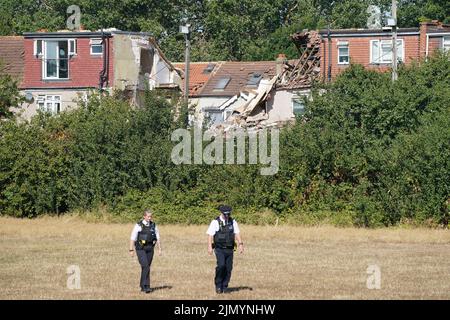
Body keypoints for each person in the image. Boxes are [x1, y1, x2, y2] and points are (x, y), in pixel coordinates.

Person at [207, 205, 244, 294]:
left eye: (228, 214)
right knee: (221, 266)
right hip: (219, 249)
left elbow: (237, 233)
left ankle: (225, 286)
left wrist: (240, 244)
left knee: (228, 268)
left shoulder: (233, 222)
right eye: (225, 214)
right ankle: (218, 285)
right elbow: (210, 235)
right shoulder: (215, 222)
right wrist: (209, 246)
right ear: (221, 213)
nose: (227, 216)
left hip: (230, 249)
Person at [129, 209, 162, 293]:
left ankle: (144, 285)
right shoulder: (138, 225)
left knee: (147, 267)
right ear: (144, 216)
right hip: (140, 249)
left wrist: (159, 249)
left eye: (151, 216)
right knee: (145, 266)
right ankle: (144, 286)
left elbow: (157, 237)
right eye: (148, 216)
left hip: (150, 248)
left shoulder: (154, 225)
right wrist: (131, 249)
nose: (150, 218)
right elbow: (133, 238)